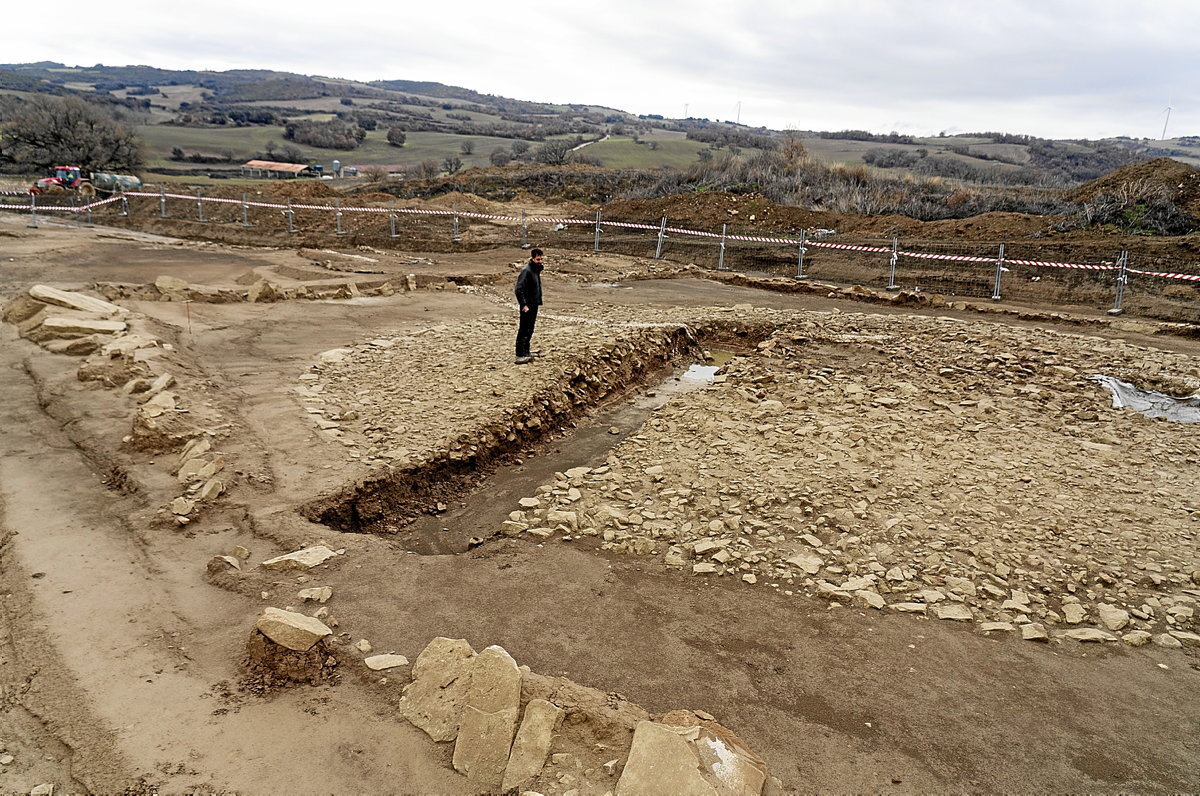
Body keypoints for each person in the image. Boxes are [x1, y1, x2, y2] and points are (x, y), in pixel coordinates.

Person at [513, 249, 544, 364]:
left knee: (530, 329)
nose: (540, 261)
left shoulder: (535, 270)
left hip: (533, 304)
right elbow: (518, 289)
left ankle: (526, 351)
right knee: (524, 329)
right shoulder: (527, 270)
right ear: (532, 258)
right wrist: (523, 304)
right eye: (538, 259)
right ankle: (519, 354)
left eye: (541, 259)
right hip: (527, 306)